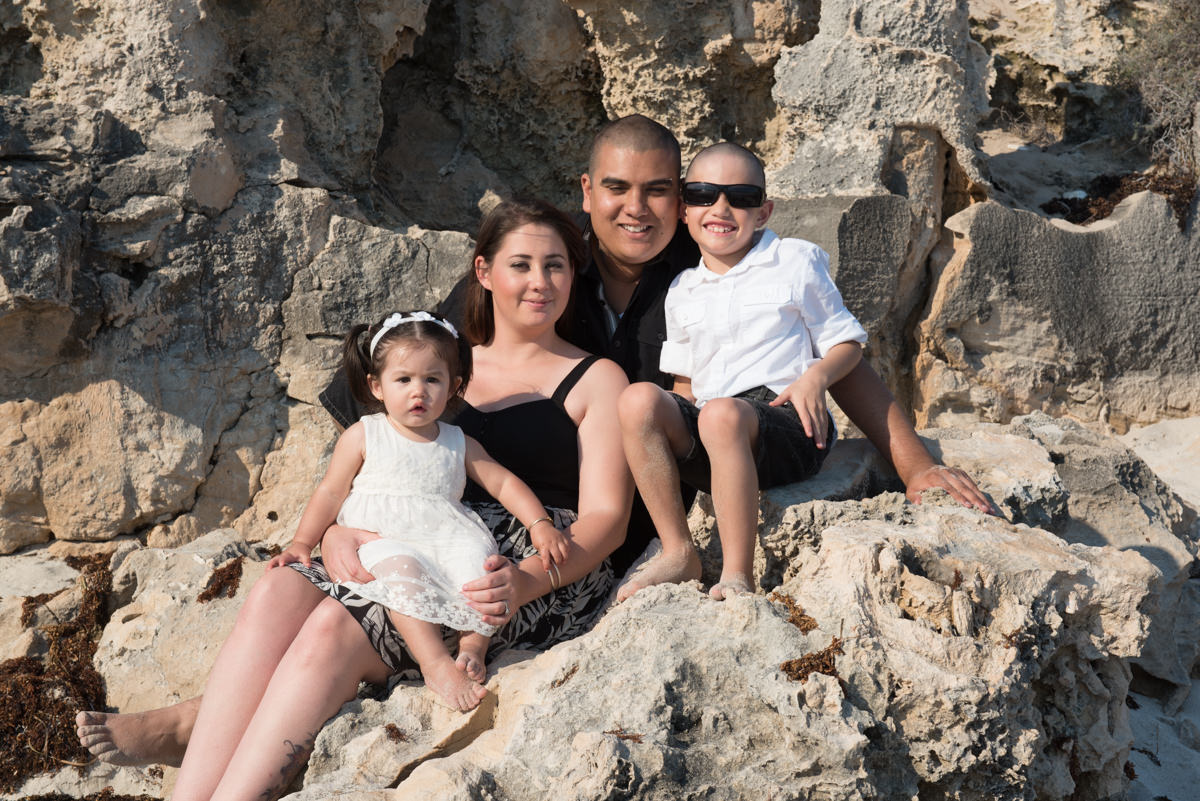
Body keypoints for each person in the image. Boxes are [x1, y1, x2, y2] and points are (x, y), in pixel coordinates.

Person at [77, 115, 992, 770]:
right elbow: (393, 388)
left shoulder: (712, 263)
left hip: (591, 531)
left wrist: (912, 460)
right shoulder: (539, 261)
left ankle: (208, 725)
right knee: (298, 584)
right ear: (585, 194)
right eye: (618, 190)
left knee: (342, 625)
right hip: (461, 511)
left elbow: (832, 346)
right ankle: (205, 725)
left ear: (690, 196)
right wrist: (352, 518)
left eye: (661, 191)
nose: (640, 210)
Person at [78, 199, 631, 799]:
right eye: (520, 263)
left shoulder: (597, 377)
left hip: (514, 568)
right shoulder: (433, 359)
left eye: (556, 265)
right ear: (483, 271)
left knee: (330, 630)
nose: (539, 281)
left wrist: (523, 581)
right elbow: (378, 469)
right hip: (406, 535)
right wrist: (337, 531)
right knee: (279, 590)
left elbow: (608, 521)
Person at [268, 309, 571, 711]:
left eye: (432, 380)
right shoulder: (366, 434)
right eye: (404, 379)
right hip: (382, 536)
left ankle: (474, 647)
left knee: (482, 568)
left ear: (453, 387)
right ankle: (435, 663)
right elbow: (330, 491)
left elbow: (502, 482)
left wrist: (539, 524)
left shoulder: (457, 441)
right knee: (402, 573)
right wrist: (303, 542)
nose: (419, 392)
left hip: (444, 532)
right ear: (376, 386)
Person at [618, 142, 867, 600]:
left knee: (722, 415)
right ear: (684, 210)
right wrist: (673, 426)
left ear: (764, 211)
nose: (721, 207)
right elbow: (685, 385)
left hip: (786, 426)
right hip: (716, 432)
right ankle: (678, 550)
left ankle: (737, 573)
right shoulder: (683, 289)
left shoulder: (795, 260)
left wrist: (815, 376)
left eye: (741, 197)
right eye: (704, 194)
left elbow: (846, 341)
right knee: (638, 399)